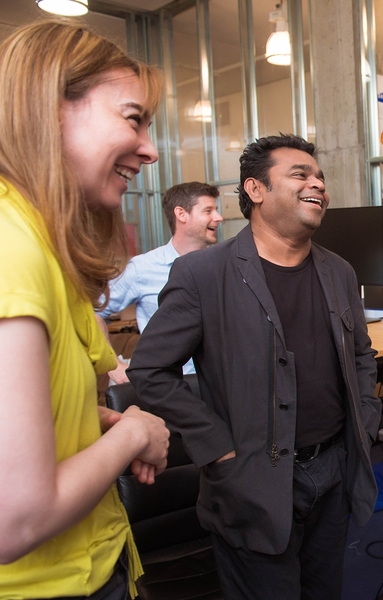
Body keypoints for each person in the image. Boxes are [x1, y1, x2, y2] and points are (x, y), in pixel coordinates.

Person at [127, 133, 381, 599]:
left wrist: (362, 424)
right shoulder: (204, 273)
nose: (318, 185)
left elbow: (361, 355)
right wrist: (218, 447)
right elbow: (150, 371)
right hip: (251, 482)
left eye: (321, 177)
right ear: (255, 190)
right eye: (301, 175)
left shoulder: (339, 271)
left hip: (331, 471)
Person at [0, 21, 170, 598]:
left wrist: (100, 423)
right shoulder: (11, 250)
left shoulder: (45, 247)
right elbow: (14, 519)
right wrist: (133, 434)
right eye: (132, 118)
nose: (150, 149)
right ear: (48, 108)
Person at [97, 181, 223, 379]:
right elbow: (93, 311)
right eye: (208, 210)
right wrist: (113, 364)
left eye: (216, 210)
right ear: (181, 214)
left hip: (218, 384)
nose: (218, 217)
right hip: (166, 388)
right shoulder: (141, 269)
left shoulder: (224, 264)